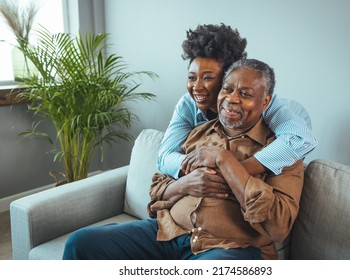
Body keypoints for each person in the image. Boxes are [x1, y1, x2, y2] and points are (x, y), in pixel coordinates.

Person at [62, 58, 304, 260]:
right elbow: (157, 190)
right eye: (227, 89)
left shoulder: (283, 153)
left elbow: (278, 226)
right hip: (166, 233)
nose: (232, 99)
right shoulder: (198, 132)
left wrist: (225, 161)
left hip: (229, 248)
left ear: (266, 101)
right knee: (80, 243)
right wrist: (183, 185)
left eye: (245, 94)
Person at [157, 23, 317, 179]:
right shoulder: (187, 104)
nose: (197, 87)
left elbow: (301, 139)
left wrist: (232, 171)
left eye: (208, 78)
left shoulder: (263, 103)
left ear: (227, 78)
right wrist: (202, 171)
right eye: (192, 78)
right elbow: (164, 157)